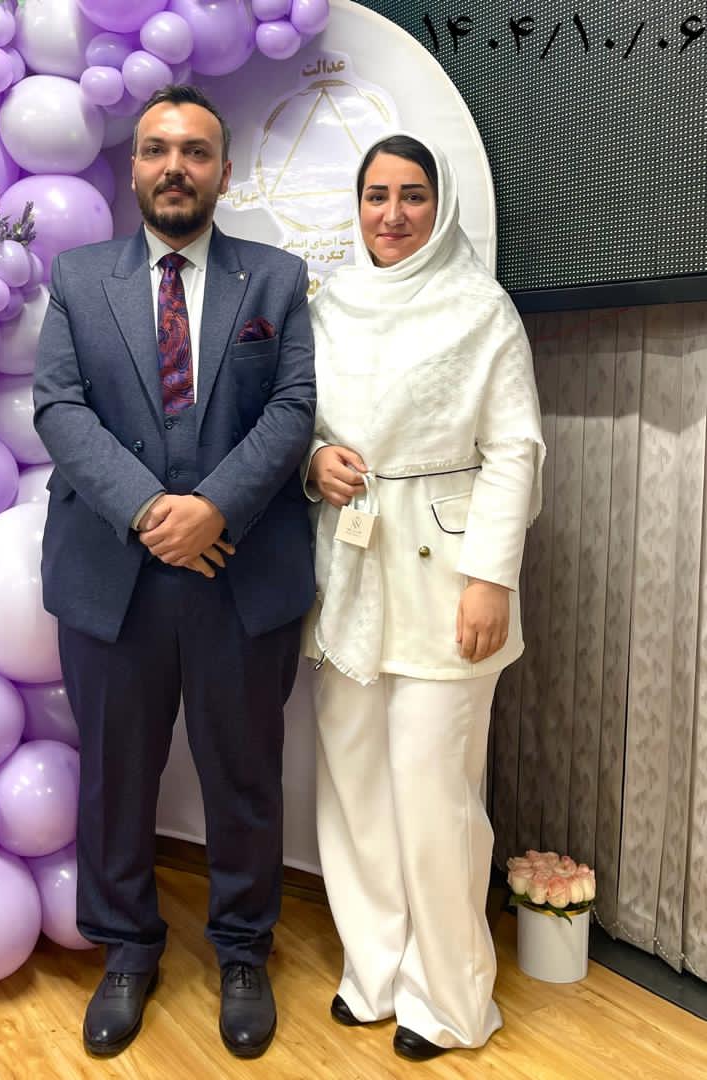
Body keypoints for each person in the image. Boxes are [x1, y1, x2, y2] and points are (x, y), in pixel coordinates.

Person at [33, 84, 316, 1060]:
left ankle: (241, 951)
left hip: (242, 571)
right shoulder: (78, 279)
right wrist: (156, 513)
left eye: (195, 152)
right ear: (133, 168)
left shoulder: (275, 280)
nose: (175, 167)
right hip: (113, 575)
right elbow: (59, 407)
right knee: (115, 777)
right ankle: (126, 948)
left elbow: (292, 408)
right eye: (157, 149)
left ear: (224, 172)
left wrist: (214, 510)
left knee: (245, 775)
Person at [304, 133, 544, 1061]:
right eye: (376, 195)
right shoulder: (328, 306)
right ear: (357, 206)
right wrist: (313, 462)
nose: (393, 214)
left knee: (435, 791)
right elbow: (298, 419)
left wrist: (490, 578)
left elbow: (515, 448)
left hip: (448, 577)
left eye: (411, 195)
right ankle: (373, 971)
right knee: (353, 783)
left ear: (438, 207)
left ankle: (448, 999)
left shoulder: (479, 308)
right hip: (347, 569)